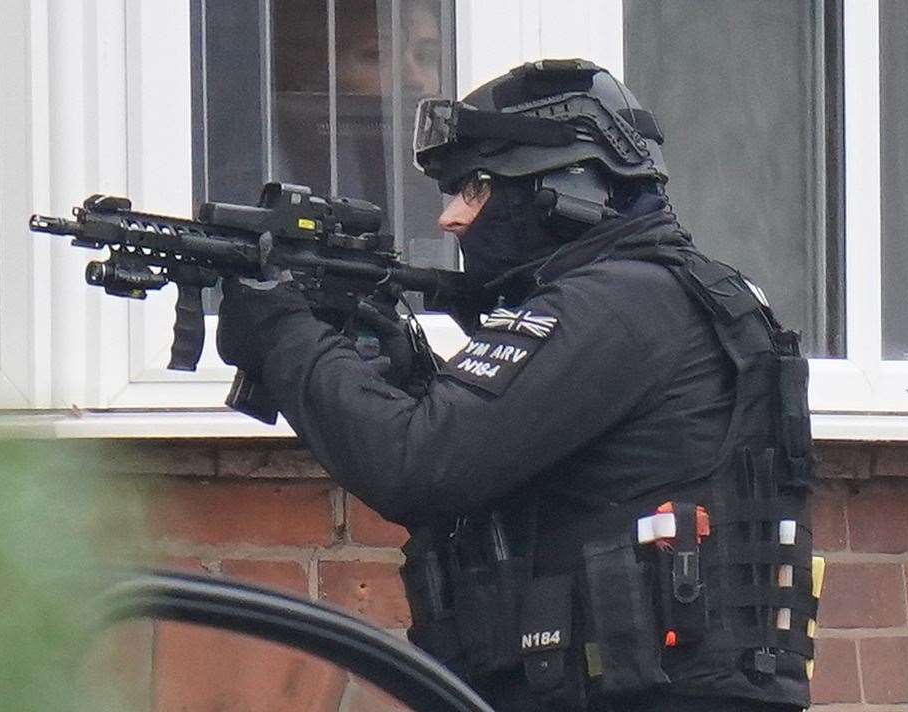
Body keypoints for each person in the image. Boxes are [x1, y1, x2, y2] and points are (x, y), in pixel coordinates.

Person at [217, 59, 818, 712]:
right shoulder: (675, 297)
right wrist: (409, 375)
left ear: (559, 189)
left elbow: (418, 464)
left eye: (473, 188)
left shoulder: (613, 306)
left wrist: (283, 333)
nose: (450, 218)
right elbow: (507, 481)